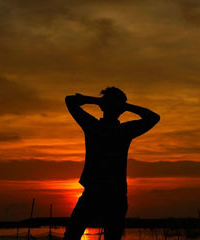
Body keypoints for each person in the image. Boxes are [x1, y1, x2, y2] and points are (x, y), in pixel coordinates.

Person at [64, 87, 160, 240]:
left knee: (77, 235)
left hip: (112, 195)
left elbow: (154, 117)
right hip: (97, 193)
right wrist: (111, 104)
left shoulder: (114, 129)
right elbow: (69, 100)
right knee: (72, 235)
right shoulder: (102, 127)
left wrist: (104, 103)